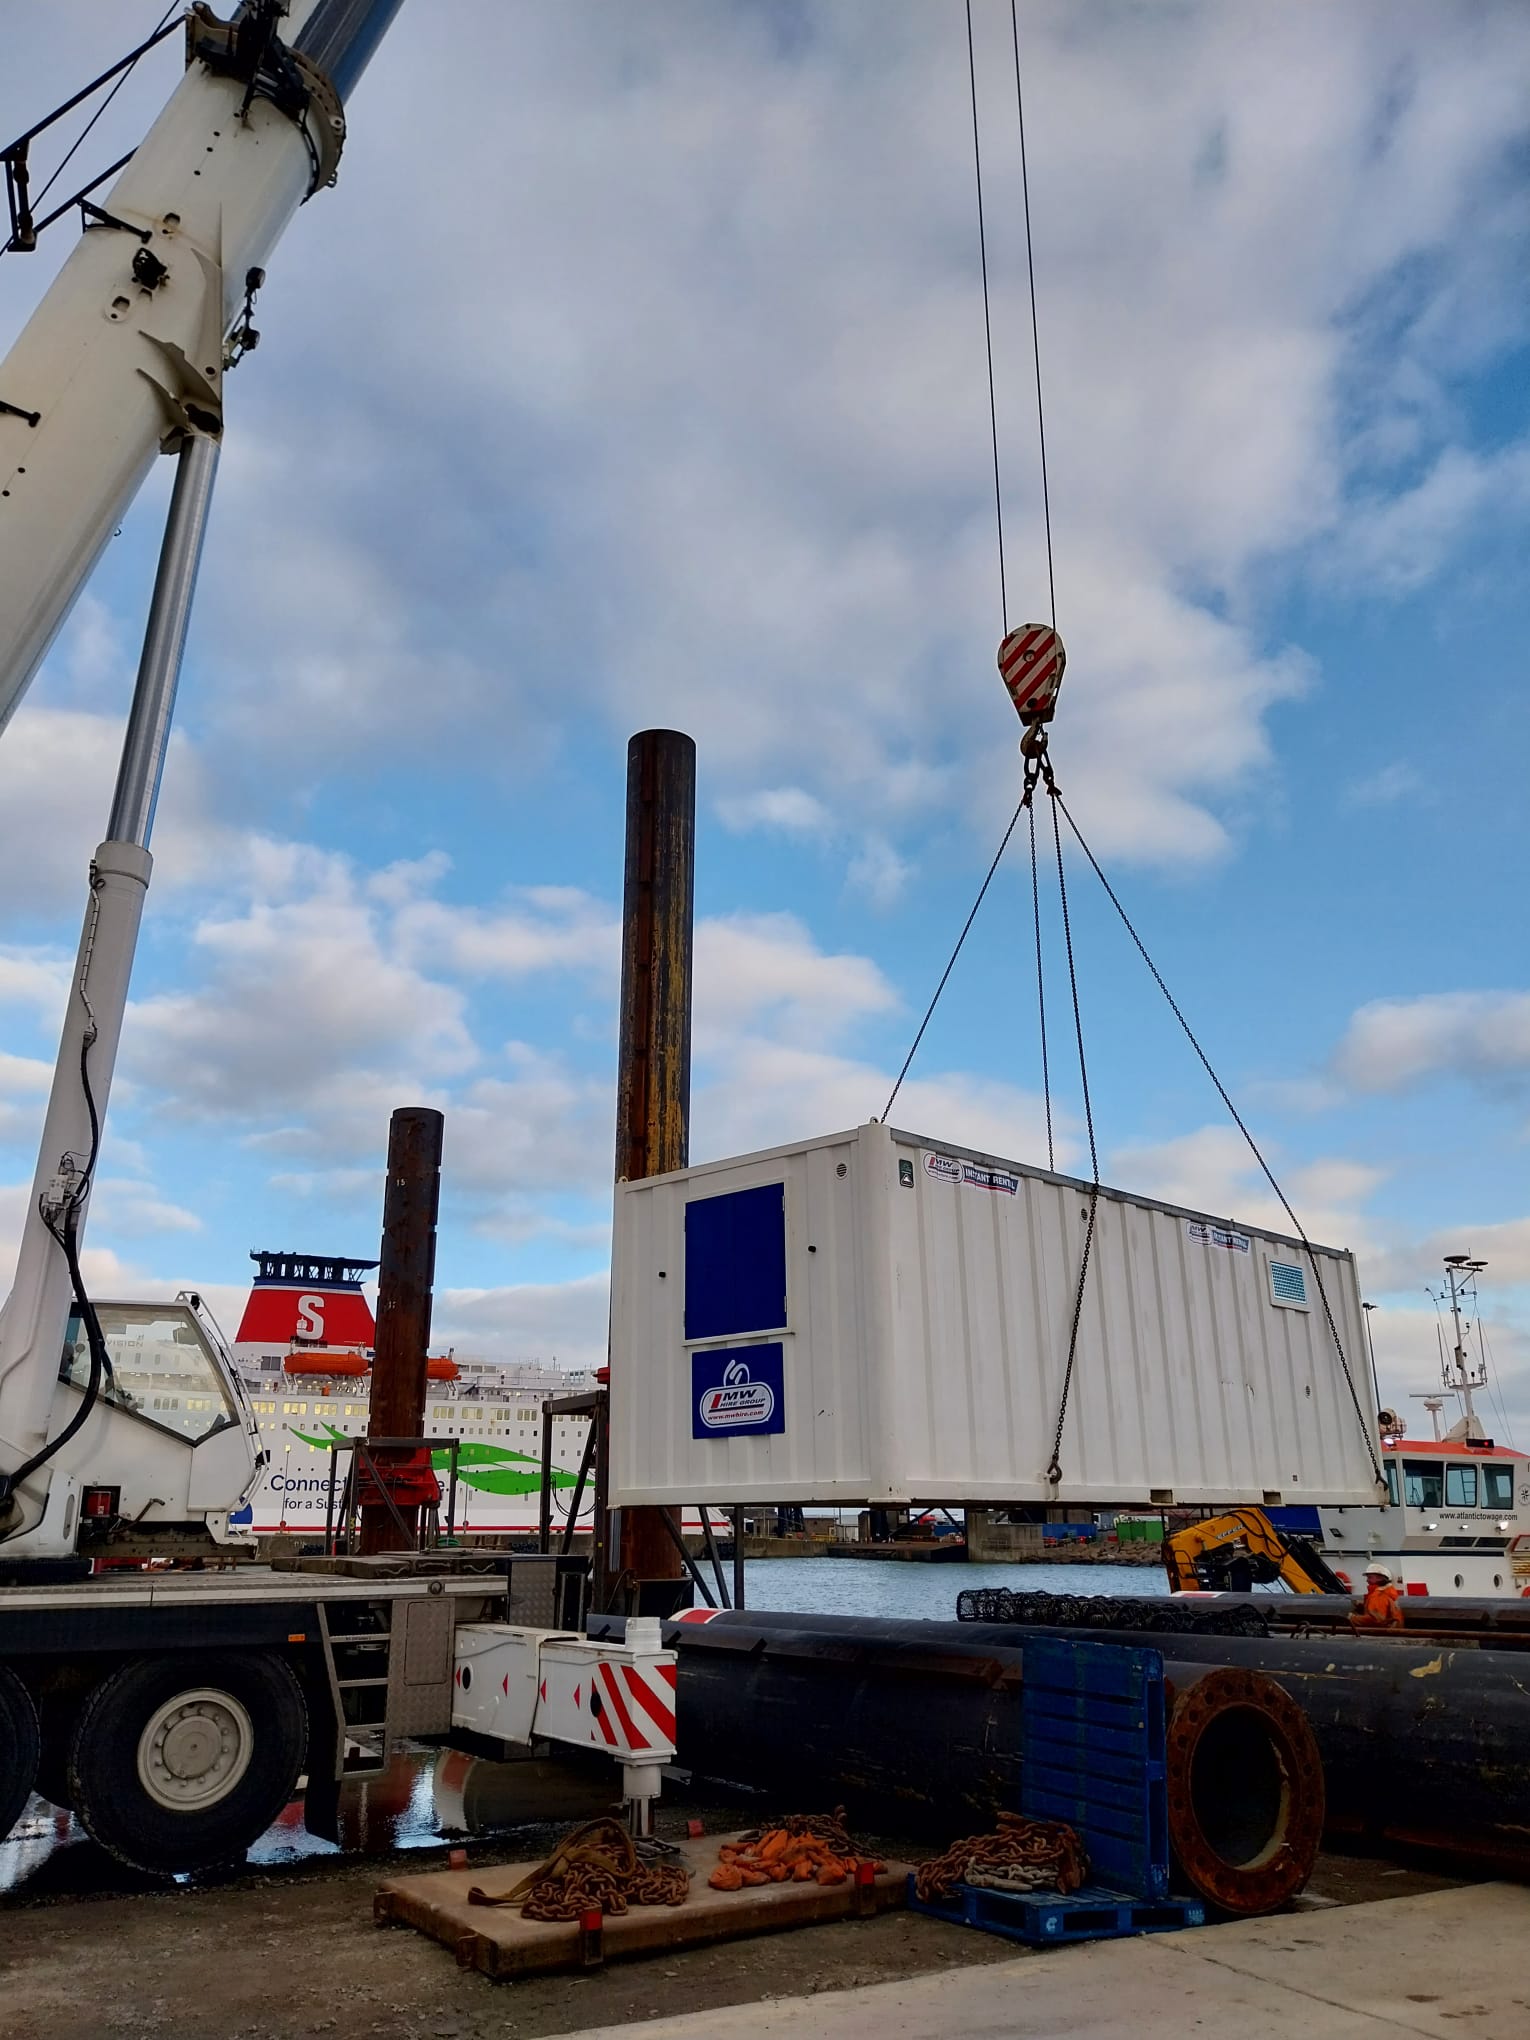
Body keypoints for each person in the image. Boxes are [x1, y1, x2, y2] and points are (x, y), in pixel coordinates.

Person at [1350, 1563, 1404, 1630]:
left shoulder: (1379, 1595)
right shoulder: (1387, 1591)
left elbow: (1376, 1620)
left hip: (1385, 1633)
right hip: (1393, 1630)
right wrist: (1363, 1606)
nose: (1367, 1580)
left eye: (1370, 1577)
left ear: (1379, 1578)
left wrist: (1353, 1618)